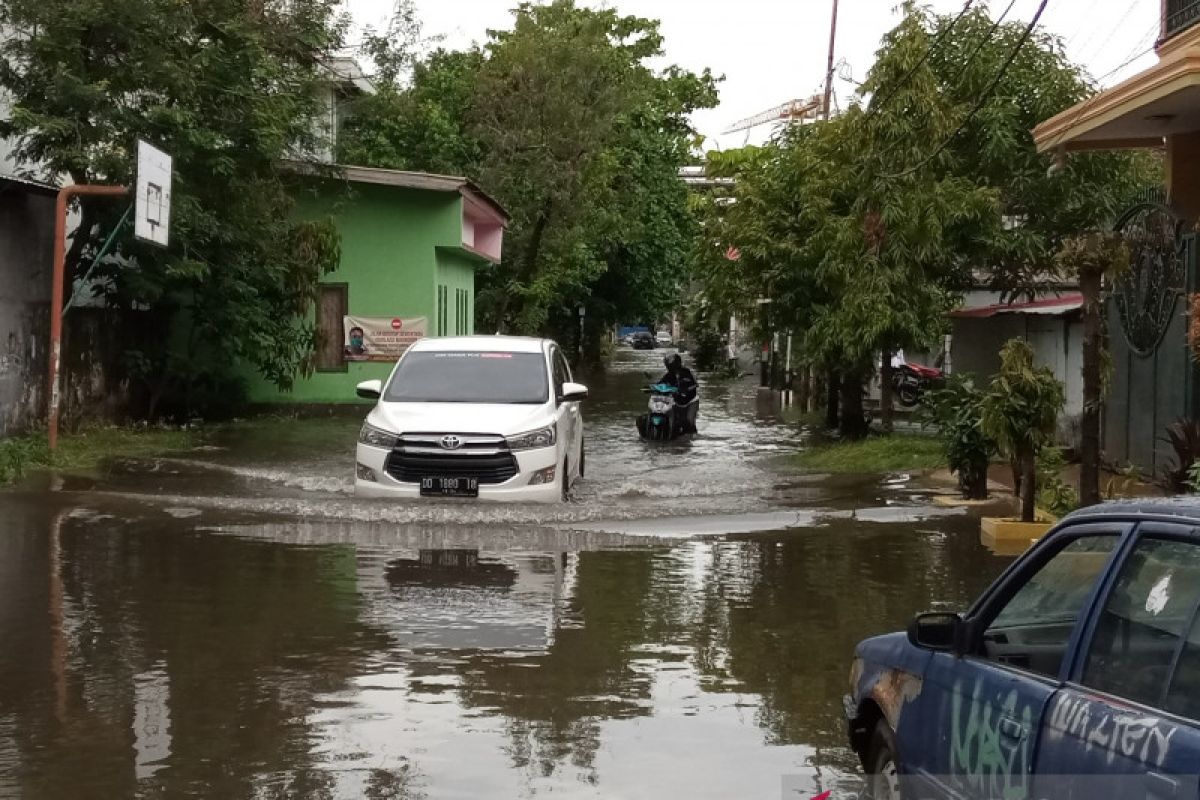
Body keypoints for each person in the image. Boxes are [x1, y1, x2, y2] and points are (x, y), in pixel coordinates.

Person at [659, 353, 698, 433]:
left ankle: (692, 436)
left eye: (672, 365)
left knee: (689, 421)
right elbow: (660, 384)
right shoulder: (668, 375)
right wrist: (652, 388)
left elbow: (695, 384)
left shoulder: (687, 372)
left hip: (690, 401)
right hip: (675, 401)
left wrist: (686, 389)